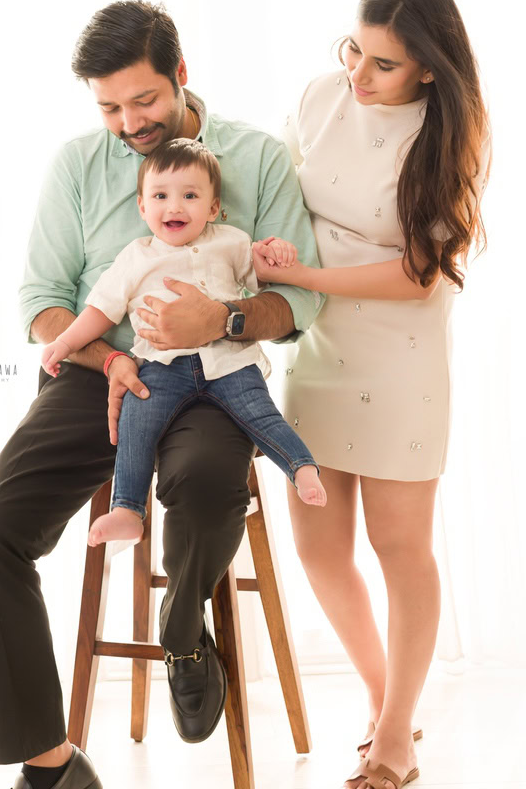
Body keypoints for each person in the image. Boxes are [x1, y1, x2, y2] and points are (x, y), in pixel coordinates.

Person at [0, 0, 324, 789]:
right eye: (109, 108)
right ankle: (49, 769)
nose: (128, 123)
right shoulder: (78, 166)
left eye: (144, 100)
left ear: (181, 74)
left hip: (216, 378)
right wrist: (112, 361)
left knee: (203, 483)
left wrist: (222, 321)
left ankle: (184, 634)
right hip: (103, 377)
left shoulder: (257, 158)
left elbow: (298, 301)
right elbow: (41, 303)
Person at [256, 0, 491, 789]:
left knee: (400, 546)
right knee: (319, 547)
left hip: (400, 356)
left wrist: (310, 276)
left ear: (428, 66)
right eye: (353, 49)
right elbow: (270, 191)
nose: (358, 73)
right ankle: (387, 694)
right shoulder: (321, 97)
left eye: (383, 64)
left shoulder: (446, 134)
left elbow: (420, 274)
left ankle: (394, 735)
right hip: (317, 346)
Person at [40, 137, 327, 543]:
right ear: (143, 207)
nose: (174, 207)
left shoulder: (231, 241)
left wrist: (276, 252)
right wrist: (65, 343)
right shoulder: (136, 256)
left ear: (212, 207)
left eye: (190, 196)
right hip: (161, 367)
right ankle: (127, 509)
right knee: (135, 421)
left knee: (260, 413)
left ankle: (301, 467)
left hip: (230, 361)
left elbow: (266, 276)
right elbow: (101, 310)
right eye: (160, 196)